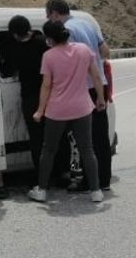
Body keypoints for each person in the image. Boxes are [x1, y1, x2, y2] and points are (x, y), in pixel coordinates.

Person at [27, 20, 106, 203]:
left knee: (49, 150)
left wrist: (40, 110)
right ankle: (96, 190)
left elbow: (46, 86)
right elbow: (95, 75)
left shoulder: (49, 56)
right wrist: (100, 98)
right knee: (87, 149)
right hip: (82, 107)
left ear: (49, 38)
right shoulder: (83, 50)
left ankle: (42, 189)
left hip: (57, 110)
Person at [45, 0, 113, 190]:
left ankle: (88, 181)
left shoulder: (67, 31)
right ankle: (104, 179)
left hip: (82, 89)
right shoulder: (88, 24)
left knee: (83, 139)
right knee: (100, 136)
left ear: (55, 14)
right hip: (99, 85)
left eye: (49, 18)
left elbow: (68, 62)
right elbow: (105, 51)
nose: (50, 22)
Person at [0, 14, 48, 172]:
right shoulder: (42, 43)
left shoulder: (15, 49)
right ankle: (60, 171)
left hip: (30, 97)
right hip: (51, 95)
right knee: (54, 136)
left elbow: (7, 70)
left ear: (14, 34)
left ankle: (41, 174)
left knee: (36, 137)